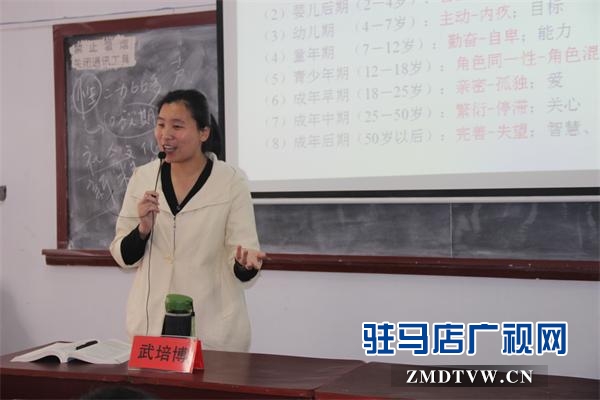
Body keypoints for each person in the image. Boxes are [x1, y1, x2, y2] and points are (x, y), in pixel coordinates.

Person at [110, 89, 265, 352]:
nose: (165, 135)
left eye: (177, 126)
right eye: (161, 124)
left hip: (213, 330)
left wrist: (245, 265)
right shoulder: (143, 178)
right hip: (151, 328)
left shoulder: (231, 181)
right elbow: (123, 256)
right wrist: (143, 230)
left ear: (203, 133)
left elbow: (242, 254)